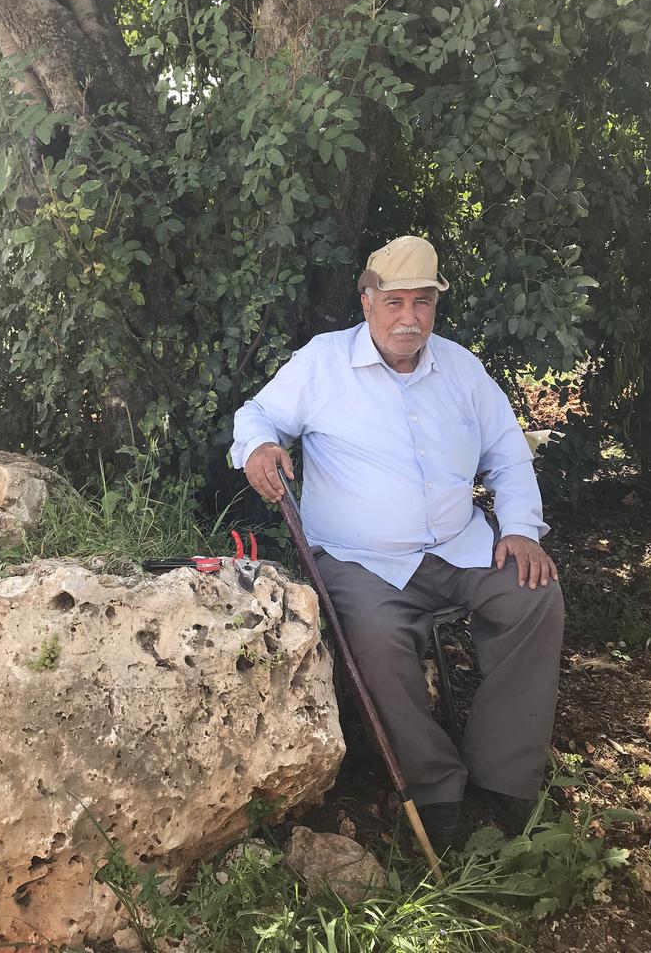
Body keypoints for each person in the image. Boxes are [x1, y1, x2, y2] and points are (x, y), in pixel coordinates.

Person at [231, 235, 564, 849]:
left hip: (458, 546)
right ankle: (436, 789)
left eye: (423, 303)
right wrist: (258, 448)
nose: (409, 318)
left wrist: (518, 530)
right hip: (361, 559)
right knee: (378, 639)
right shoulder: (324, 362)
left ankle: (505, 778)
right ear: (367, 301)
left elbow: (510, 458)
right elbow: (256, 415)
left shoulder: (461, 368)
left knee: (533, 596)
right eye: (395, 303)